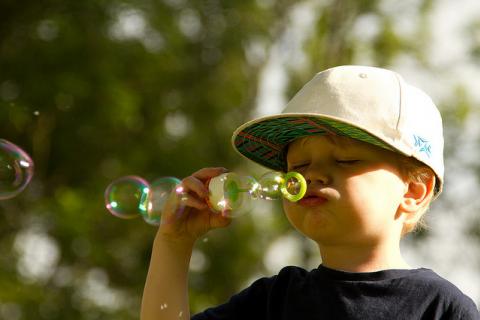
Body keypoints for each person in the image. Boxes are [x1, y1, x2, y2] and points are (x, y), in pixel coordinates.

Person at [140, 65, 480, 319]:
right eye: (299, 166)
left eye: (345, 160)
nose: (312, 174)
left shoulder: (440, 308)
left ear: (414, 191)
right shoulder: (274, 300)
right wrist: (174, 243)